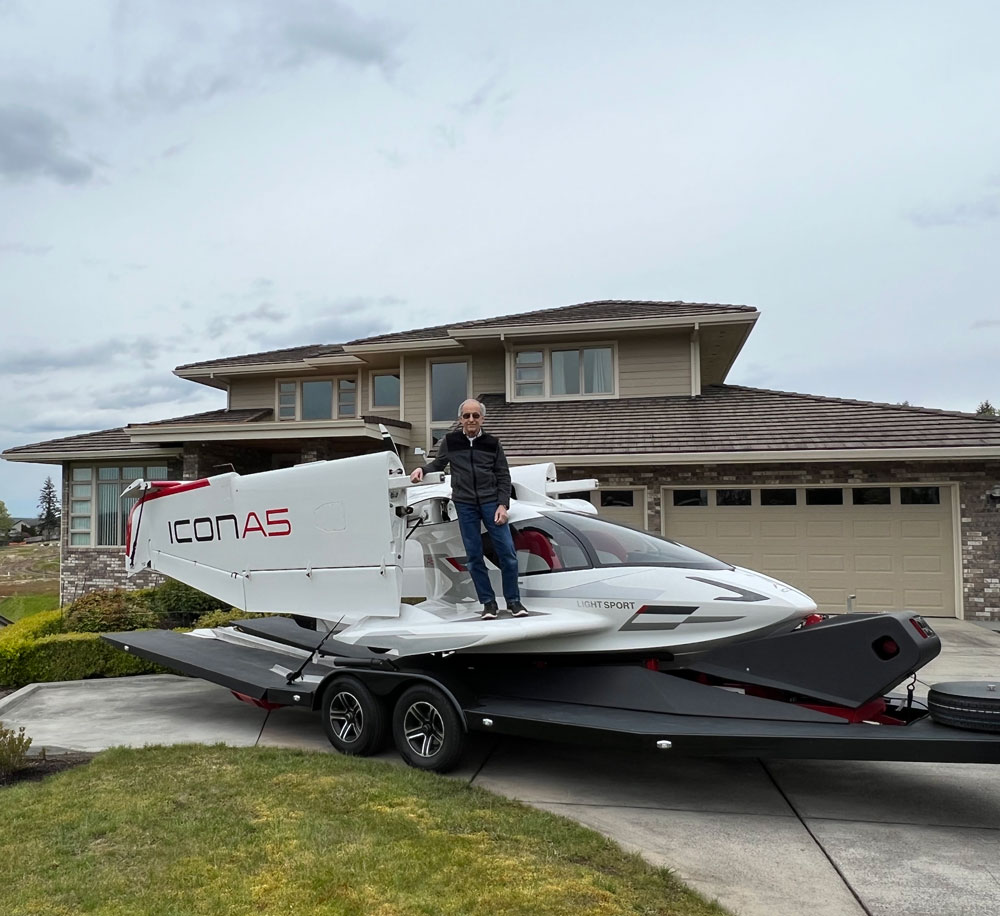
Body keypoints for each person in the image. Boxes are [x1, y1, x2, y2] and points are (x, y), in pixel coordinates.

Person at [410, 398, 527, 620]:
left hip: (491, 502)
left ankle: (514, 602)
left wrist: (503, 504)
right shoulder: (451, 441)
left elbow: (503, 475)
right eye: (466, 416)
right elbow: (437, 464)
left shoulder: (492, 443)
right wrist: (421, 470)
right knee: (474, 556)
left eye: (475, 415)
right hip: (465, 504)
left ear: (482, 418)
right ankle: (488, 604)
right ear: (461, 419)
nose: (471, 419)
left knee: (507, 554)